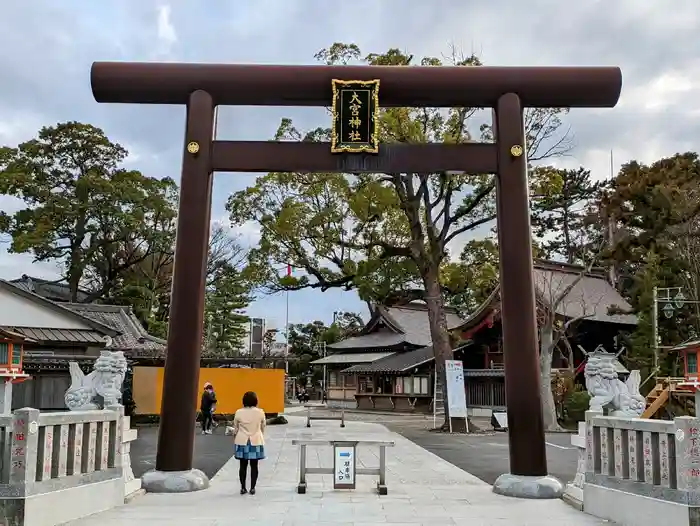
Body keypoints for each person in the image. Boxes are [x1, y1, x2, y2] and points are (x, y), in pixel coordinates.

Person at [233, 391, 266, 495]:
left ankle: (243, 488)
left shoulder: (238, 412)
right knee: (254, 465)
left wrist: (235, 437)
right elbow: (263, 426)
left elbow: (235, 429)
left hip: (242, 440)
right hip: (255, 440)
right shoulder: (260, 412)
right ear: (256, 400)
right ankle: (252, 488)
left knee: (242, 465)